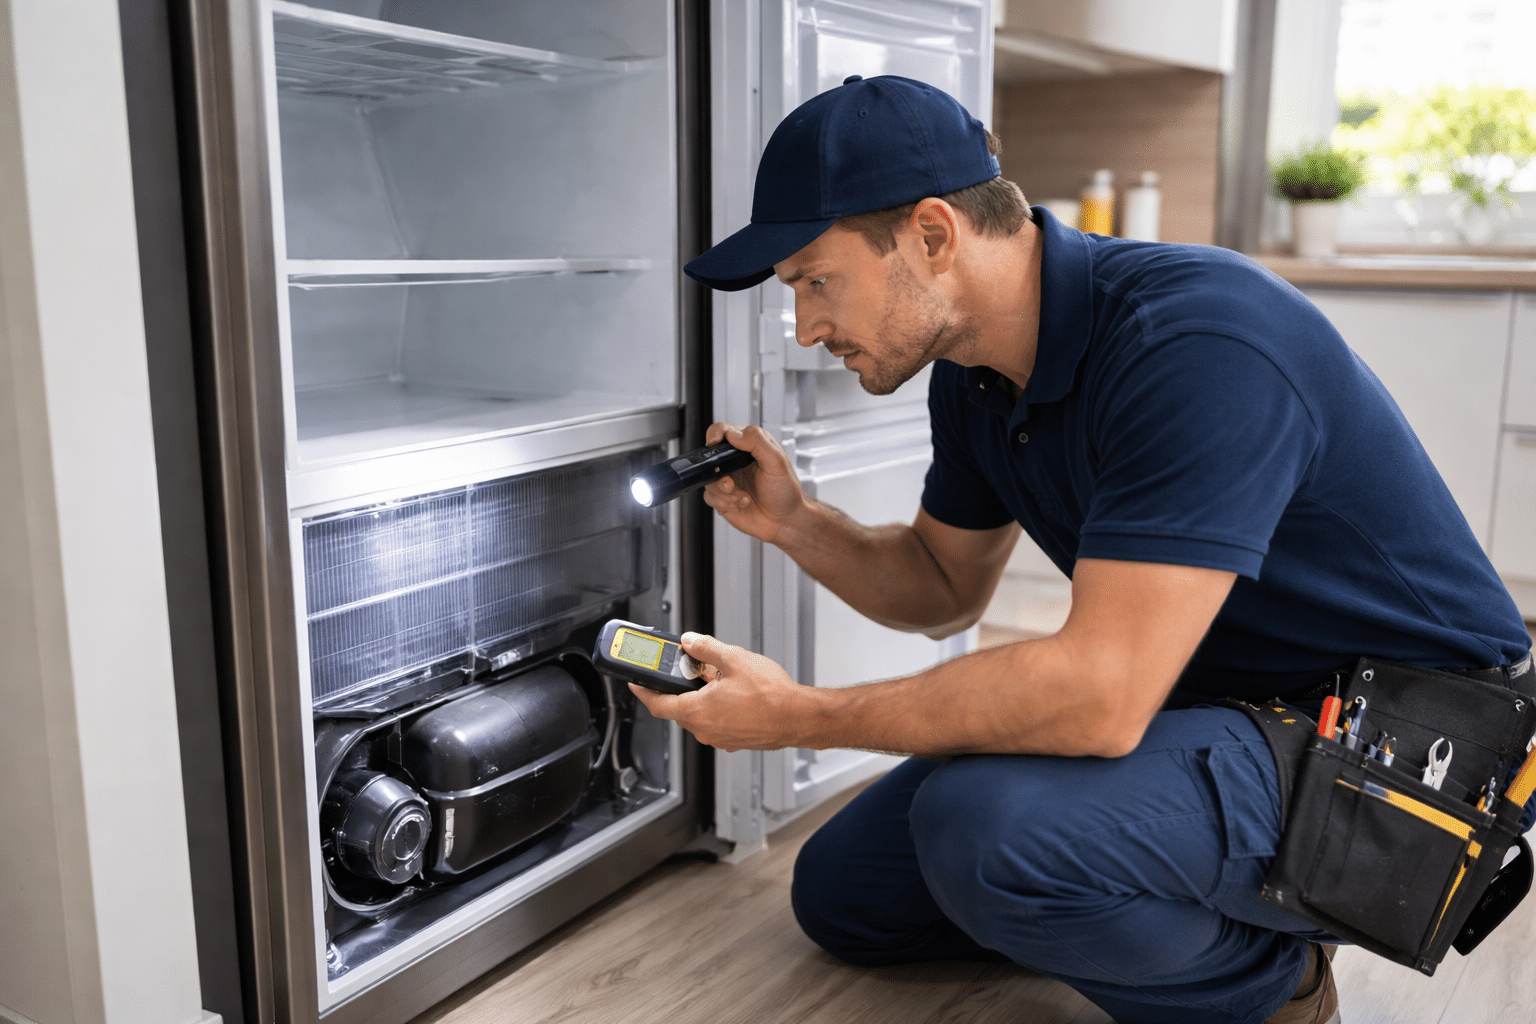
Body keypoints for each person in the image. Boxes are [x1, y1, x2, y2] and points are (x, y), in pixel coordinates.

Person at [629, 75, 1533, 1024]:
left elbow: (1100, 696)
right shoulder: (975, 375)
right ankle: (1143, 902)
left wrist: (799, 716)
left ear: (933, 236)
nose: (809, 327)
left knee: (985, 833)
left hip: (1415, 749)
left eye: (816, 281)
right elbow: (941, 588)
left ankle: (1275, 987)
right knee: (849, 895)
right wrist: (797, 523)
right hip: (1221, 699)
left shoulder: (1196, 341)